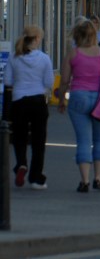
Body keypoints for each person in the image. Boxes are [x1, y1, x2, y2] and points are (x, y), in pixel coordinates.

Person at [58, 18, 100, 192]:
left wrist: (61, 101)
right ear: (95, 35)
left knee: (83, 140)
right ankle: (98, 178)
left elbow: (64, 80)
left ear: (77, 35)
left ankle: (85, 181)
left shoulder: (73, 53)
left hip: (78, 97)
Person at [4, 26, 54, 190]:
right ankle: (36, 177)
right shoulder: (44, 59)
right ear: (37, 39)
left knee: (20, 137)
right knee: (39, 140)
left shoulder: (14, 57)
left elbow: (8, 81)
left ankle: (21, 164)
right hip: (38, 101)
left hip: (19, 101)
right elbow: (49, 83)